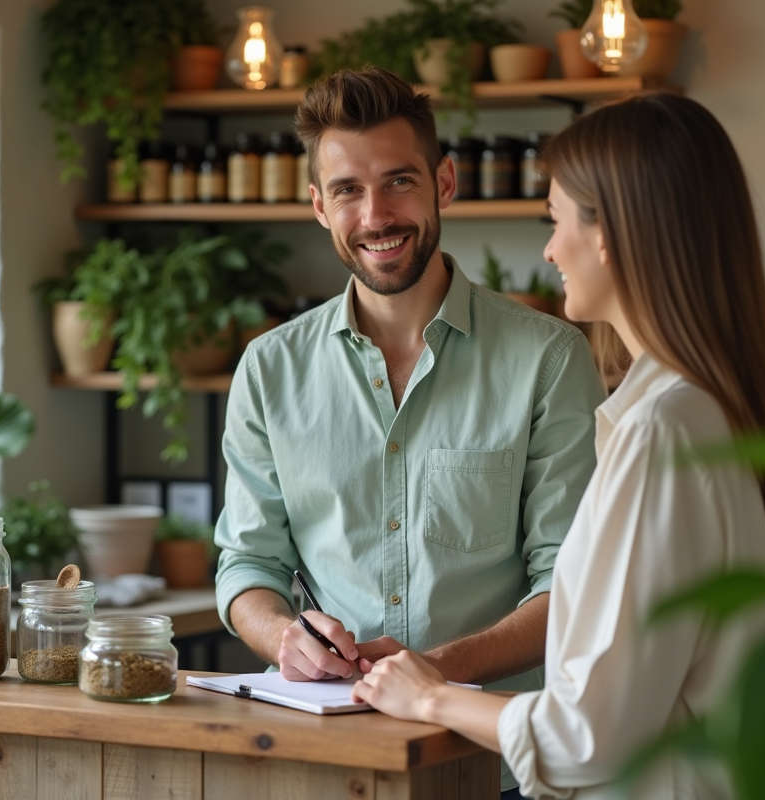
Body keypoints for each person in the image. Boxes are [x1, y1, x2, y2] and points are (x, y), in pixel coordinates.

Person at [351, 92, 765, 800]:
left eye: (556, 219)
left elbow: (587, 738)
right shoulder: (699, 412)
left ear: (610, 236)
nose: (548, 248)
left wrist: (430, 695)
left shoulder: (663, 431)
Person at [213, 68, 605, 795]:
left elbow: (571, 586)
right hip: (326, 757)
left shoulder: (549, 360)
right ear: (318, 207)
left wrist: (431, 674)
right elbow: (247, 568)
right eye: (348, 192)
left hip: (500, 764)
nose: (376, 216)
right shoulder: (268, 370)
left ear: (445, 183)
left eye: (398, 182)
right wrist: (284, 639)